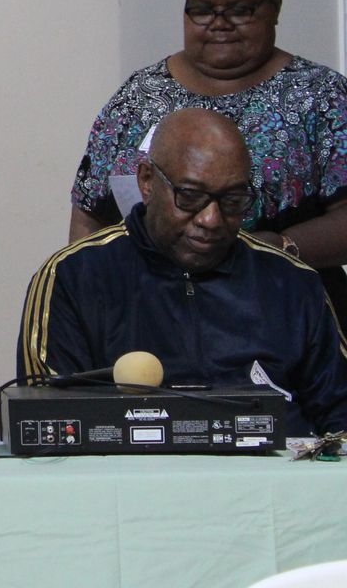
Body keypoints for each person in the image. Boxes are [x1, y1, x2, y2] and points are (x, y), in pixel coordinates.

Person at [21, 108, 347, 434]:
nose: (211, 219)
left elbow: (340, 418)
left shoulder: (290, 281)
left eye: (233, 200)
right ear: (147, 181)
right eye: (190, 196)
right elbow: (49, 425)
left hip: (278, 480)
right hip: (131, 480)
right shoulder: (73, 279)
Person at [68, 0, 347, 271]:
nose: (219, 24)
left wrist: (278, 249)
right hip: (151, 315)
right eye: (201, 8)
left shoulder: (320, 97)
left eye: (240, 10)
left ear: (275, 7)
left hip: (283, 312)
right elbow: (89, 213)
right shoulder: (139, 96)